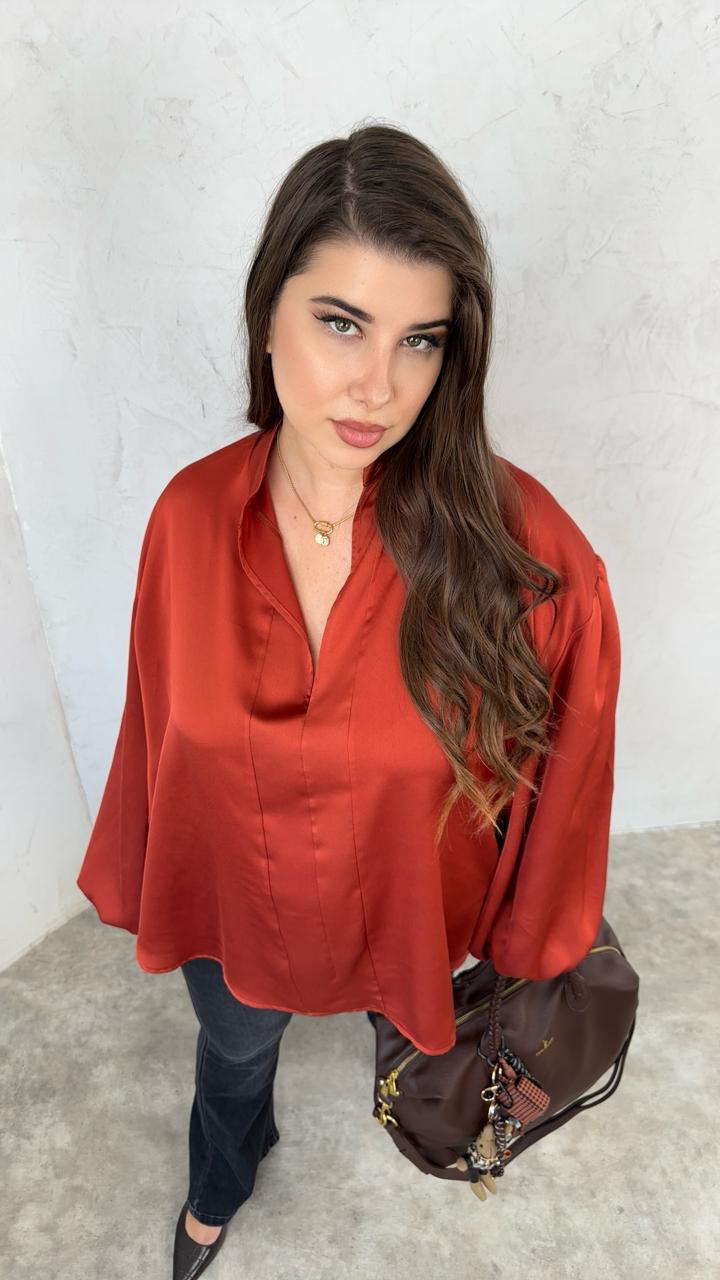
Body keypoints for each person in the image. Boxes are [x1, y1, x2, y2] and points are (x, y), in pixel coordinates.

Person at [76, 123, 621, 1279]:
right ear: (268, 313)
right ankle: (221, 1180)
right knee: (233, 1057)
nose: (379, 385)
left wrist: (524, 942)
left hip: (414, 913)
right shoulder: (187, 520)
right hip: (238, 912)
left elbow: (567, 778)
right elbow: (157, 731)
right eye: (341, 323)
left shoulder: (526, 554)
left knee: (416, 1047)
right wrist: (145, 866)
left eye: (420, 339)